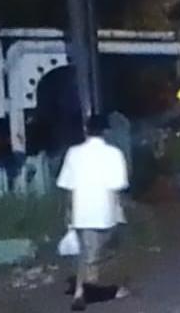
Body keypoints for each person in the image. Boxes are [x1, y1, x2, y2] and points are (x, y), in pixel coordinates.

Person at [58, 114, 131, 311]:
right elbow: (118, 185)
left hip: (80, 212)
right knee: (96, 252)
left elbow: (67, 186)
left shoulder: (73, 153)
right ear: (106, 131)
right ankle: (86, 291)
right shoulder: (114, 154)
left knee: (87, 251)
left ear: (86, 130)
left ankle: (83, 289)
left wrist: (68, 213)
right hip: (104, 212)